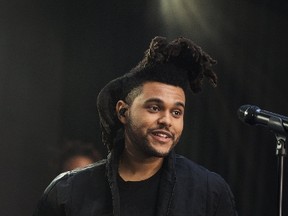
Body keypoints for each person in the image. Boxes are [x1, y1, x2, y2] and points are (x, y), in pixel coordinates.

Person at [33, 36, 237, 215]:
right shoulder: (67, 191)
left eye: (176, 112)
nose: (167, 120)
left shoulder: (209, 191)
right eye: (155, 108)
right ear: (123, 111)